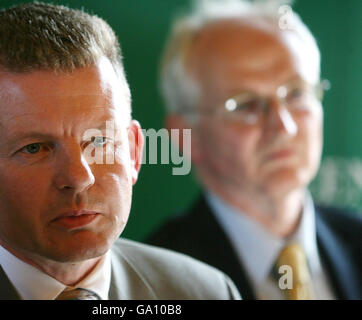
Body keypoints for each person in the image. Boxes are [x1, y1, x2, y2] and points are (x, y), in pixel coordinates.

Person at [0, 3, 240, 300]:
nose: (78, 177)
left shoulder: (205, 292)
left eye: (99, 141)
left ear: (134, 151)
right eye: (35, 148)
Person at [147, 0, 361, 300]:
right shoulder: (150, 282)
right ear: (187, 134)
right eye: (246, 105)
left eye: (296, 92)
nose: (283, 126)